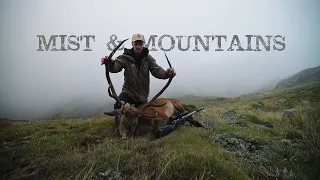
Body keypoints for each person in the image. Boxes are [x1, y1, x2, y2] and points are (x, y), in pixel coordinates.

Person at [101, 33, 176, 109]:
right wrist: (110, 63)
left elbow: (156, 70)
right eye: (136, 44)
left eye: (140, 44)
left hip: (142, 97)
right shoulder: (125, 58)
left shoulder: (148, 59)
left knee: (141, 117)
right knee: (119, 106)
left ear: (143, 44)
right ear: (132, 44)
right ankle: (118, 119)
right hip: (128, 93)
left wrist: (167, 73)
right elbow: (115, 67)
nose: (138, 46)